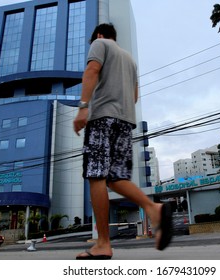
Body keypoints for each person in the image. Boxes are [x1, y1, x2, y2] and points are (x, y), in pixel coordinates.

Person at [73, 23, 172, 260]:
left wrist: (84, 107)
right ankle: (153, 208)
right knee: (116, 178)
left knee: (96, 175)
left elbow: (92, 70)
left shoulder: (99, 44)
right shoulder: (130, 60)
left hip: (103, 118)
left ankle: (103, 243)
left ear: (98, 35)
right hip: (126, 121)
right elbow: (134, 96)